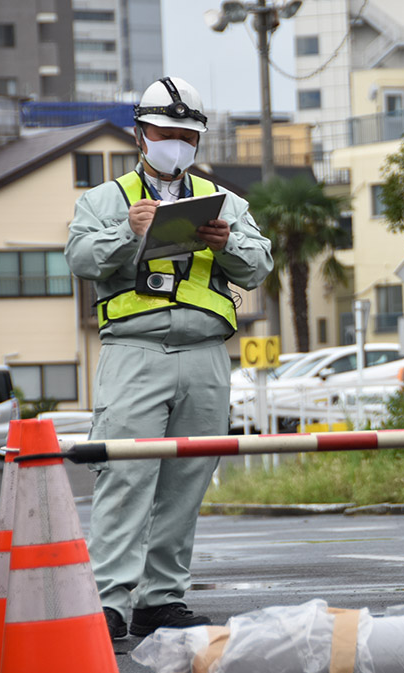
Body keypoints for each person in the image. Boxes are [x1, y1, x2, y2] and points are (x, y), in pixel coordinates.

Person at [65, 76, 273, 640]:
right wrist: (128, 233)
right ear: (141, 135)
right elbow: (82, 257)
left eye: (187, 134)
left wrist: (226, 241)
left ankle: (161, 598)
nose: (176, 143)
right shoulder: (107, 199)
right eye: (165, 131)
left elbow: (258, 267)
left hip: (206, 353)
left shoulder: (225, 202)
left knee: (187, 479)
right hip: (135, 349)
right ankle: (109, 600)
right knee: (127, 476)